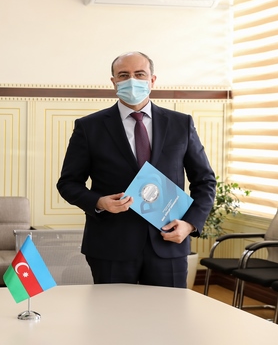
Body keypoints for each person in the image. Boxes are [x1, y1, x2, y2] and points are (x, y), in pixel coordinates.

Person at [56, 51, 215, 288]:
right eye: (123, 75)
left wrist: (190, 224)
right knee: (112, 312)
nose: (132, 80)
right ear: (114, 82)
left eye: (140, 74)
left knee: (168, 311)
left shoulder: (181, 124)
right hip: (111, 246)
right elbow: (68, 183)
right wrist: (99, 202)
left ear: (152, 80)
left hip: (168, 242)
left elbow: (205, 181)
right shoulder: (89, 127)